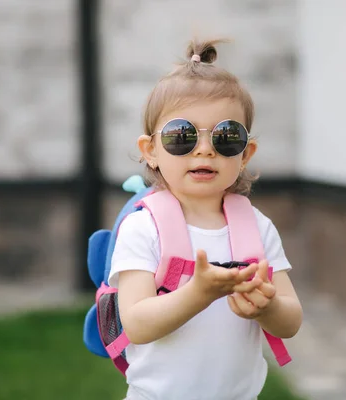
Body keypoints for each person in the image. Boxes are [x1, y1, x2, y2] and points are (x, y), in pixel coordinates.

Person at [108, 38, 303, 400]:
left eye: (226, 136)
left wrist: (268, 307)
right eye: (181, 135)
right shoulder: (143, 227)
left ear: (246, 154)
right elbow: (135, 323)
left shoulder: (257, 227)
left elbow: (290, 321)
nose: (204, 148)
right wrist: (198, 294)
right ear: (150, 151)